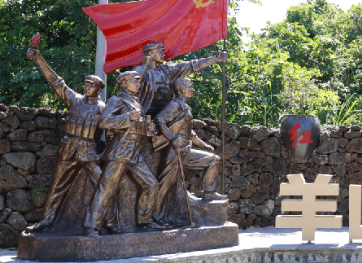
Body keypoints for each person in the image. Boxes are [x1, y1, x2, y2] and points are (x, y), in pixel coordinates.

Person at [25, 47, 105, 232]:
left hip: (90, 152)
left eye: (91, 85)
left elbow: (110, 133)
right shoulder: (74, 100)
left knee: (103, 184)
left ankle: (107, 221)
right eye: (86, 84)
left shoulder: (103, 109)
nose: (87, 87)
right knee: (56, 186)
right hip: (68, 149)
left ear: (99, 89)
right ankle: (45, 221)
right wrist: (39, 58)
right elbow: (56, 82)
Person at [84, 71, 164, 236]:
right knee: (106, 188)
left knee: (151, 185)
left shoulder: (136, 102)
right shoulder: (117, 100)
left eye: (139, 82)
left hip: (135, 151)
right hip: (120, 150)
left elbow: (135, 126)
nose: (139, 84)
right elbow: (104, 122)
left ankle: (144, 221)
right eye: (135, 81)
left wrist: (148, 129)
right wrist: (127, 117)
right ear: (124, 83)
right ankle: (92, 226)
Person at [152, 78, 225, 225]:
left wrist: (205, 146)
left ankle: (209, 192)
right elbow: (159, 120)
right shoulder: (175, 105)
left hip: (186, 150)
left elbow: (189, 133)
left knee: (214, 159)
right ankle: (154, 218)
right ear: (180, 89)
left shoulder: (185, 106)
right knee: (164, 186)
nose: (192, 90)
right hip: (174, 152)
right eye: (189, 87)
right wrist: (172, 138)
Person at [132, 42, 226, 117]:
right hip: (144, 116)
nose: (163, 54)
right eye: (160, 52)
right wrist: (145, 66)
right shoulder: (140, 69)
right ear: (151, 54)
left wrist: (215, 58)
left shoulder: (166, 70)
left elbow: (191, 65)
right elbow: (132, 84)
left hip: (165, 116)